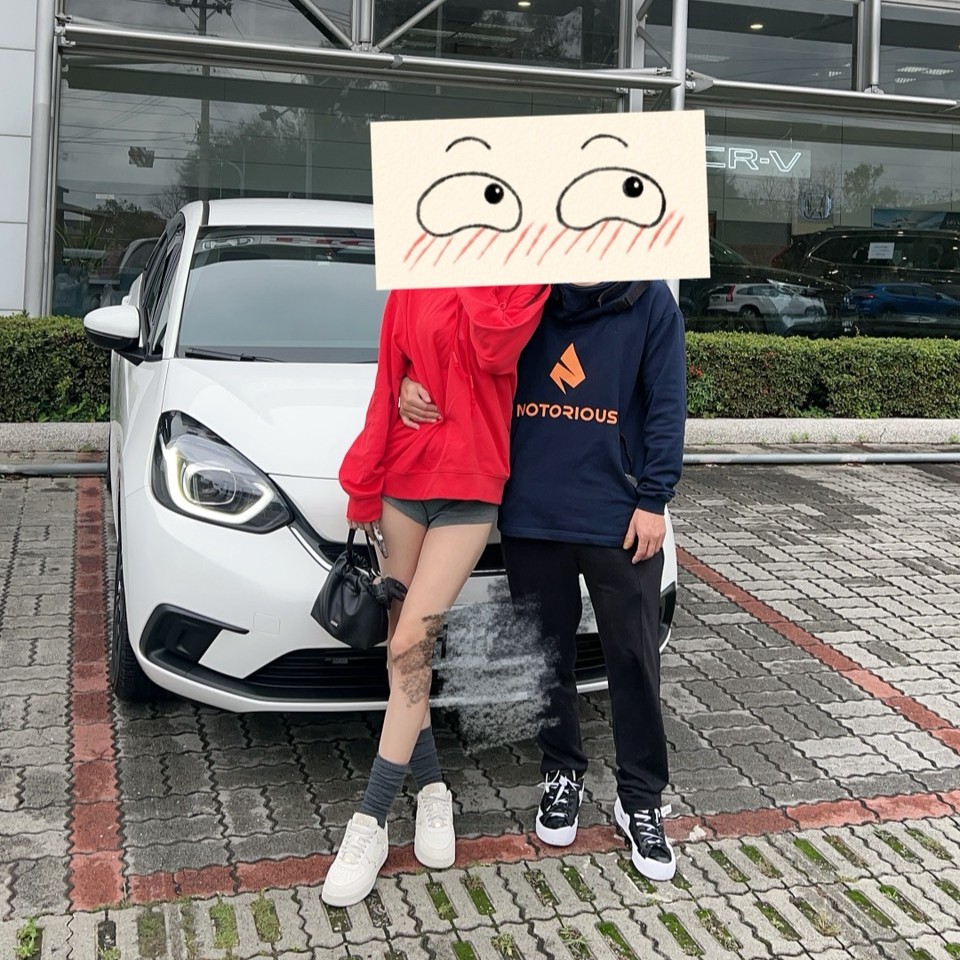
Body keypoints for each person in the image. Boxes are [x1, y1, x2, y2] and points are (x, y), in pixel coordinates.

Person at [399, 279, 686, 881]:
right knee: (545, 655)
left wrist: (654, 497)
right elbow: (461, 360)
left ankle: (640, 799)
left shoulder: (650, 299)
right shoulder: (522, 294)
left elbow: (666, 400)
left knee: (633, 658)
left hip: (619, 516)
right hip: (532, 509)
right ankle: (561, 772)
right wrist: (408, 381)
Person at [323, 284, 549, 907]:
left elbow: (495, 351)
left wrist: (471, 268)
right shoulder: (410, 281)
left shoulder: (520, 280)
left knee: (411, 642)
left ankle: (369, 821)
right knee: (403, 648)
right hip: (404, 477)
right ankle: (431, 790)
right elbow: (385, 380)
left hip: (471, 486)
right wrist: (365, 481)